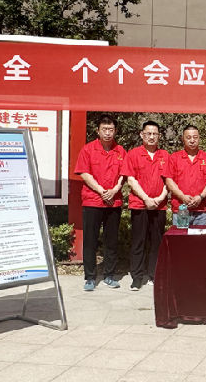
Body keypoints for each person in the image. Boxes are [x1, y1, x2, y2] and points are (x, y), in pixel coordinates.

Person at [74, 114, 126, 292]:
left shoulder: (121, 151)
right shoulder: (88, 149)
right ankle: (90, 277)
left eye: (111, 129)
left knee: (111, 240)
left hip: (114, 201)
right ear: (98, 131)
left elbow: (124, 174)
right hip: (92, 200)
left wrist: (115, 189)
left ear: (115, 131)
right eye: (104, 129)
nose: (108, 133)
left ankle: (109, 275)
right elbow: (84, 173)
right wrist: (101, 191)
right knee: (90, 241)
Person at [121, 120, 169, 290]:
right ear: (142, 135)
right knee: (138, 242)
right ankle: (137, 277)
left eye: (155, 134)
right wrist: (146, 198)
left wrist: (160, 197)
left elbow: (169, 180)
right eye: (148, 133)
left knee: (156, 242)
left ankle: (154, 275)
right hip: (139, 205)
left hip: (159, 206)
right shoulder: (133, 154)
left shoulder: (165, 155)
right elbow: (131, 180)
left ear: (159, 136)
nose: (151, 137)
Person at [165, 125, 206, 227]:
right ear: (183, 139)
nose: (192, 141)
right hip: (180, 209)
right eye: (188, 137)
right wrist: (182, 196)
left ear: (199, 138)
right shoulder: (174, 158)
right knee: (180, 237)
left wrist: (200, 197)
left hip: (201, 211)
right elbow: (169, 180)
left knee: (199, 237)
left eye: (195, 137)